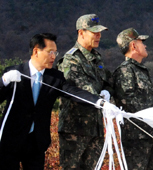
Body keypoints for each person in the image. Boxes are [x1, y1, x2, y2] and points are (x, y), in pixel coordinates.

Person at [0, 33, 115, 170]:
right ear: (36, 51)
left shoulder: (55, 77)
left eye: (55, 52)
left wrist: (100, 102)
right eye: (50, 52)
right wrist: (3, 82)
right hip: (10, 141)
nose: (54, 56)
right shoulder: (14, 72)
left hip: (37, 143)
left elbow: (74, 92)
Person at [57, 14, 114, 170]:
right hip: (75, 129)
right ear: (81, 33)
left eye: (99, 32)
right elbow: (78, 88)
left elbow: (107, 82)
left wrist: (107, 92)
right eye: (94, 32)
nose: (99, 36)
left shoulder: (96, 58)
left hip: (95, 127)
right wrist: (100, 96)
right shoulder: (71, 59)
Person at [113, 28, 153, 170]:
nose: (145, 46)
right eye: (142, 42)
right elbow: (127, 101)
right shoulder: (125, 70)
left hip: (150, 134)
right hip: (136, 137)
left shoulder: (141, 70)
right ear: (133, 46)